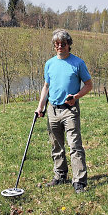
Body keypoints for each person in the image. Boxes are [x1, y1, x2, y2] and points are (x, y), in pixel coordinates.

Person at [35, 29, 93, 193]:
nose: (60, 46)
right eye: (57, 44)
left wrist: (76, 96)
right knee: (56, 145)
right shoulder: (49, 63)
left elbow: (89, 85)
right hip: (52, 109)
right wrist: (40, 106)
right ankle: (60, 175)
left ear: (69, 45)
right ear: (54, 46)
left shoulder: (78, 63)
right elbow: (46, 86)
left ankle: (79, 181)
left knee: (75, 146)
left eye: (63, 43)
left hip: (70, 109)